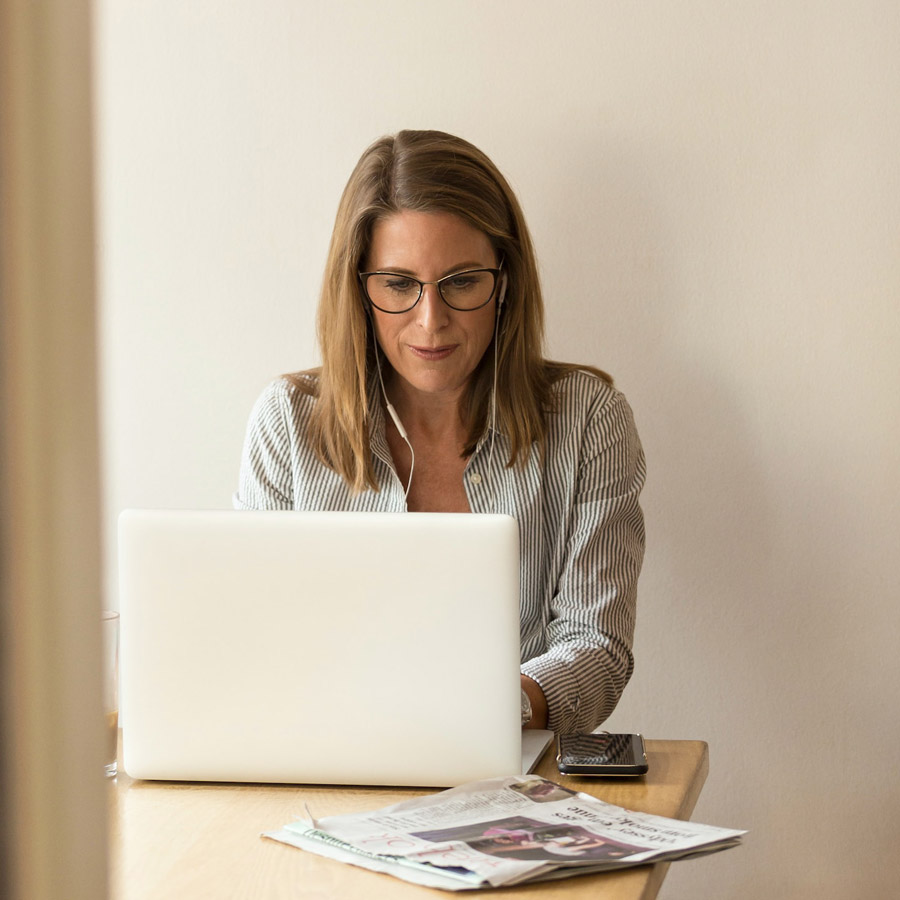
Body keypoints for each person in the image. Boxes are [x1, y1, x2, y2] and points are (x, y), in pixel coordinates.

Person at [235, 129, 646, 734]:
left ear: (503, 281)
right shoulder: (287, 423)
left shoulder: (587, 420)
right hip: (326, 769)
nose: (431, 322)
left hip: (514, 779)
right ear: (359, 288)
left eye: (460, 282)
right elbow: (256, 643)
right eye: (399, 284)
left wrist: (487, 712)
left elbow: (597, 646)